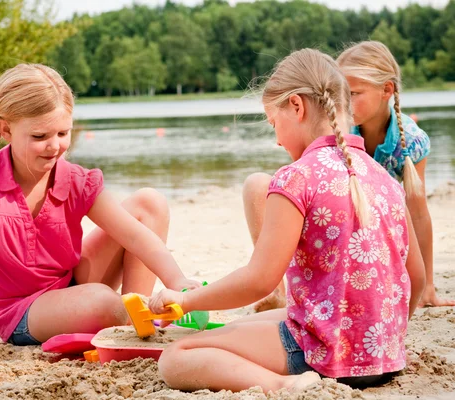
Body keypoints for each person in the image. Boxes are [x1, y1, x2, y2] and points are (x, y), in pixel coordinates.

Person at [148, 49, 426, 393]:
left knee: (177, 357)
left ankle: (283, 384)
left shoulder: (296, 178)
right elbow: (416, 276)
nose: (277, 139)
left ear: (297, 106)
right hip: (383, 360)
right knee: (267, 319)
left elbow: (259, 281)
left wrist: (187, 301)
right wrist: (387, 336)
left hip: (325, 358)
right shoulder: (384, 178)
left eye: (273, 123)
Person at [0, 64, 198, 357]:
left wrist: (179, 282)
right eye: (40, 136)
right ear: (6, 130)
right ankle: (129, 317)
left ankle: (131, 322)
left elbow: (135, 235)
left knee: (149, 203)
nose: (54, 146)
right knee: (101, 300)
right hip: (21, 312)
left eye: (63, 133)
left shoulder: (75, 180)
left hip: (69, 283)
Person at [337, 40, 454, 307]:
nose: (344, 103)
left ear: (386, 90)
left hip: (383, 231)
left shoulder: (411, 142)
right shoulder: (340, 130)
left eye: (353, 94)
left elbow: (418, 213)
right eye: (340, 93)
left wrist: (428, 286)